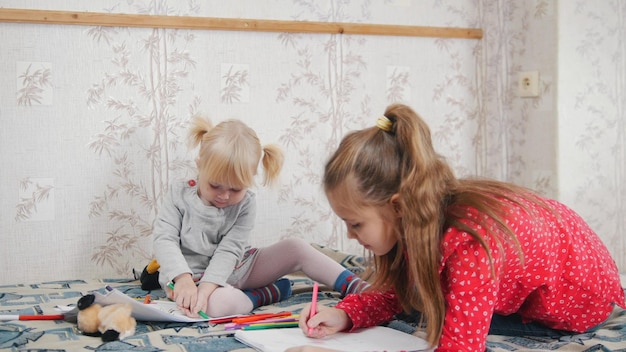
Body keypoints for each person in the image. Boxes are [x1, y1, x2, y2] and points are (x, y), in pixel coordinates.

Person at [293, 103, 626, 351]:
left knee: (425, 316)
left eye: (355, 223)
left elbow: (461, 347)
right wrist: (346, 315)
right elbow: (399, 291)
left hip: (578, 303)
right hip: (564, 264)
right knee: (419, 306)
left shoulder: (469, 242)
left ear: (397, 206)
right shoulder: (421, 215)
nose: (350, 235)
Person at [153, 116, 368, 318]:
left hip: (239, 267)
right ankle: (262, 295)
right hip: (192, 279)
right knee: (217, 306)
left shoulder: (246, 204)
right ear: (200, 165)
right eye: (215, 185)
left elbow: (231, 249)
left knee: (296, 247)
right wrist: (183, 279)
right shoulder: (178, 194)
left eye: (236, 189)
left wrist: (212, 284)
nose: (225, 196)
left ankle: (356, 286)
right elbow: (165, 239)